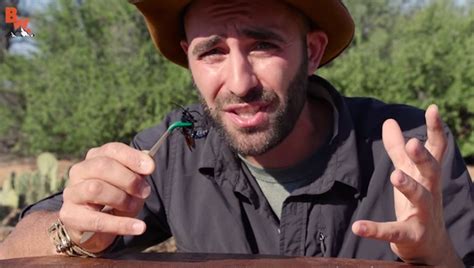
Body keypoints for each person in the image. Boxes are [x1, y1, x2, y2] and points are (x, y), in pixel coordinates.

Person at [0, 0, 472, 266]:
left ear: (312, 49)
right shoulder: (173, 148)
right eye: (212, 52)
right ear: (188, 58)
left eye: (263, 45)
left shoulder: (412, 151)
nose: (240, 81)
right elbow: (17, 248)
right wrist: (74, 233)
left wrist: (439, 258)